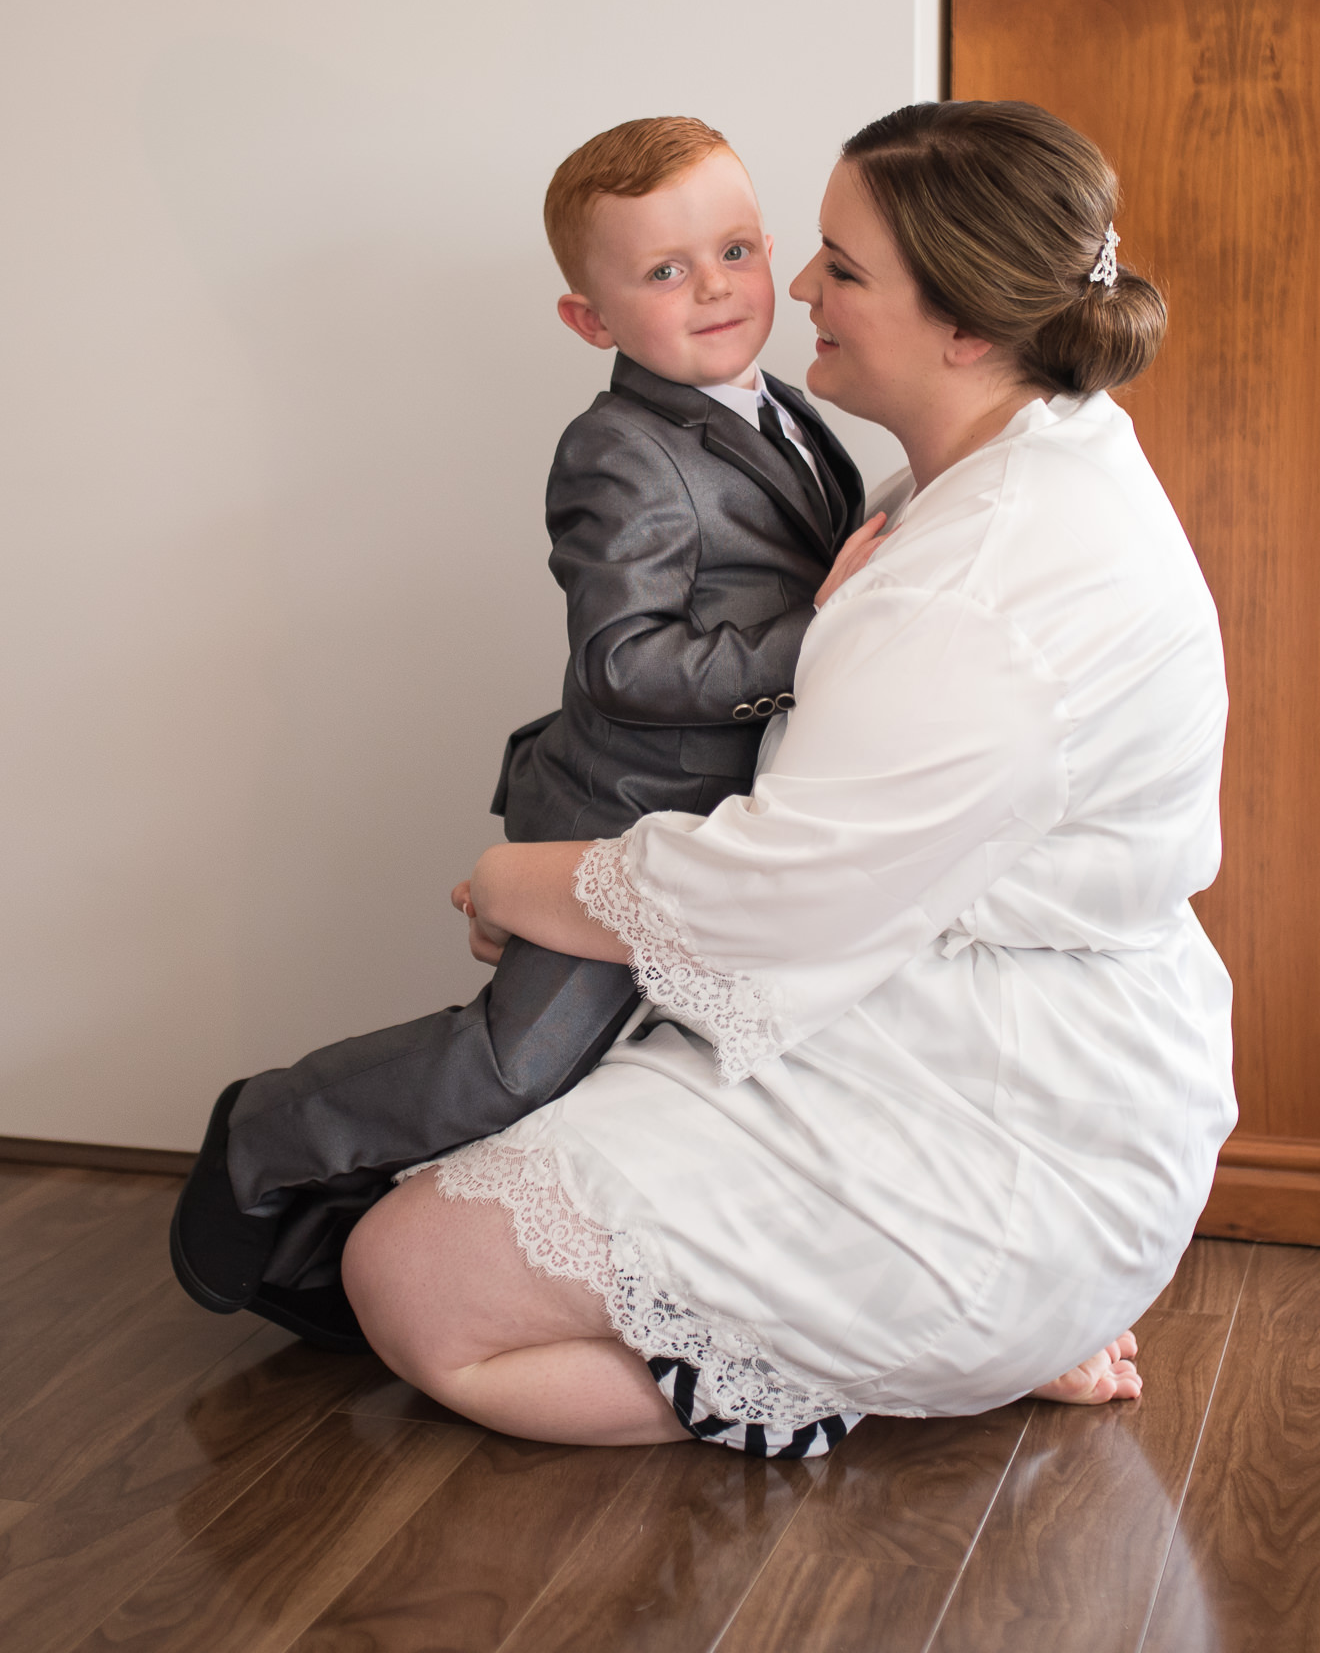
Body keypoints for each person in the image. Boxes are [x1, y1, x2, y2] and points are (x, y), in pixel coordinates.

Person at [339, 99, 1239, 1458]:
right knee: (470, 1186)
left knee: (410, 1287)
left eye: (841, 265)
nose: (798, 289)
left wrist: (517, 877)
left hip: (1007, 1130)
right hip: (953, 1028)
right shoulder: (994, 464)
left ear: (971, 330)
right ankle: (927, 1330)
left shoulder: (980, 591)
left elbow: (779, 898)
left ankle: (953, 1348)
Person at [169, 117, 865, 1352]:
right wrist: (825, 636)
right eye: (663, 271)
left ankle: (425, 1233)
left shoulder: (794, 414)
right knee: (519, 1063)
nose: (715, 286)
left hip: (714, 818)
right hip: (618, 805)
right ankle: (265, 1135)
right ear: (588, 322)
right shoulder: (620, 452)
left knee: (624, 1076)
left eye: (737, 248)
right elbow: (623, 661)